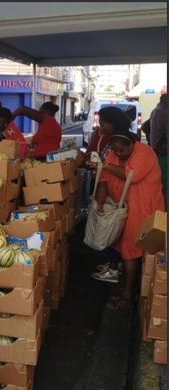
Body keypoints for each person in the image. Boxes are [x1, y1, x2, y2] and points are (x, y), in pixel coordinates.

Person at [95, 131, 165, 309]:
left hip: (143, 207)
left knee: (130, 248)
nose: (118, 154)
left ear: (132, 145)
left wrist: (105, 166)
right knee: (124, 245)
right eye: (115, 151)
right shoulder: (112, 154)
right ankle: (132, 287)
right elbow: (103, 180)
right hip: (122, 207)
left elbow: (131, 175)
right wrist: (100, 201)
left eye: (122, 151)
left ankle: (127, 294)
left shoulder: (145, 153)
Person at [85, 107, 134, 284]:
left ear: (113, 124)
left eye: (103, 123)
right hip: (110, 192)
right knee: (110, 230)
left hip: (119, 195)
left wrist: (103, 166)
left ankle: (114, 269)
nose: (100, 126)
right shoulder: (109, 140)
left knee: (115, 230)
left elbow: (126, 171)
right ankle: (112, 264)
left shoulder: (123, 142)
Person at [149, 94, 167, 194]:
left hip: (157, 143)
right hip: (160, 144)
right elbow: (162, 126)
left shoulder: (157, 109)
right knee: (162, 167)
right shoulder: (161, 111)